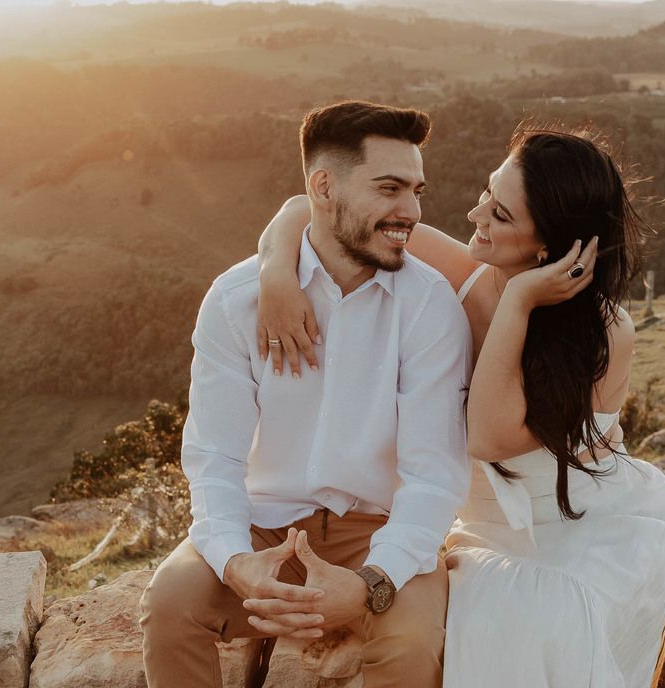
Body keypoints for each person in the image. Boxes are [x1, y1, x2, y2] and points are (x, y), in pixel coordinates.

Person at [256, 125, 665, 687]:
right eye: (488, 190)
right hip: (485, 525)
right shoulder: (462, 272)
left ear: (547, 249)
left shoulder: (607, 333)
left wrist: (519, 300)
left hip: (580, 529)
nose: (475, 213)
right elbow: (304, 206)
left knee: (529, 629)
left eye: (501, 214)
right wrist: (275, 275)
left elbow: (486, 436)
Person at [140, 101, 472, 688]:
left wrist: (372, 581)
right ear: (323, 187)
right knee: (170, 606)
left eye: (417, 190)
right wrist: (234, 560)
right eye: (389, 188)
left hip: (376, 528)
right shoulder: (235, 299)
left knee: (413, 642)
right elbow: (215, 455)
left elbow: (433, 475)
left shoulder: (431, 306)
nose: (411, 212)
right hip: (264, 526)